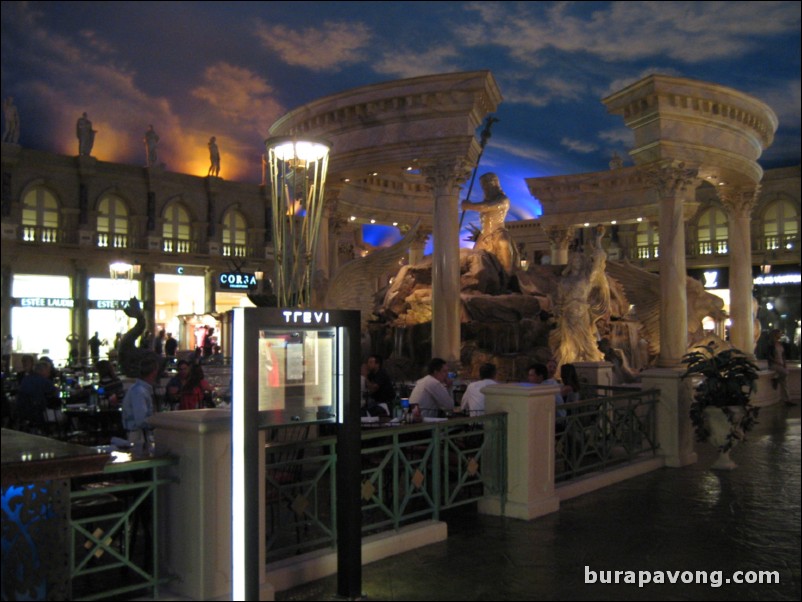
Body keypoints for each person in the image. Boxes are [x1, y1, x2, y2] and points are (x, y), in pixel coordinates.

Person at [460, 172, 519, 274]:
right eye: (483, 186)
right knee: (475, 255)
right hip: (484, 234)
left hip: (498, 231)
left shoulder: (503, 200)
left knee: (503, 243)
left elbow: (487, 206)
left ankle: (508, 275)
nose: (485, 188)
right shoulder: (486, 199)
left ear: (495, 184)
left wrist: (470, 206)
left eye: (487, 185)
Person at [121, 355, 159, 452]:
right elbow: (141, 420)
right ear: (153, 372)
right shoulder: (139, 392)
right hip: (138, 437)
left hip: (138, 435)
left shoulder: (138, 389)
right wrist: (158, 422)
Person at [16, 360, 59, 432]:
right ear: (43, 371)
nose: (49, 373)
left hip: (23, 412)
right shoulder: (45, 381)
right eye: (48, 370)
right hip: (39, 413)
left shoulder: (25, 379)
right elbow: (55, 393)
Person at [767, 329, 792, 406]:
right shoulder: (771, 344)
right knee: (785, 373)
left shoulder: (780, 344)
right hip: (774, 365)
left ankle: (787, 400)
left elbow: (783, 355)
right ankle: (776, 378)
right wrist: (776, 362)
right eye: (779, 333)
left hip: (781, 365)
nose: (781, 335)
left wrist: (784, 363)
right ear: (775, 334)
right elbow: (769, 356)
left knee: (785, 383)